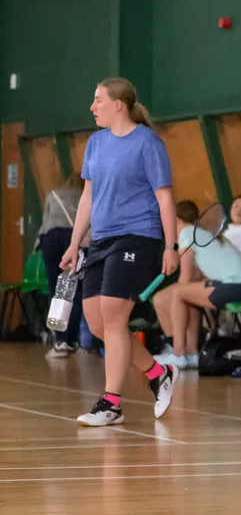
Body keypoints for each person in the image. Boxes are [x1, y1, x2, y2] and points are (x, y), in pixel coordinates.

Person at [61, 77, 179, 426]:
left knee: (114, 315)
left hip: (137, 237)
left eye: (98, 100)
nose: (92, 106)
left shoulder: (148, 144)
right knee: (98, 324)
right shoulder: (95, 144)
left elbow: (165, 198)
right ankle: (158, 372)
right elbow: (87, 198)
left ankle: (111, 403)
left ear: (118, 104)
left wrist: (170, 246)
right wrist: (74, 242)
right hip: (100, 241)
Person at [157, 200, 241, 369]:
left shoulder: (187, 233)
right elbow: (198, 277)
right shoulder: (205, 233)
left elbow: (185, 279)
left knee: (179, 293)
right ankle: (192, 354)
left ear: (176, 220)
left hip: (238, 286)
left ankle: (178, 354)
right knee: (188, 295)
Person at [40, 174, 86, 358]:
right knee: (77, 291)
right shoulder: (86, 195)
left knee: (57, 291)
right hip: (76, 240)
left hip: (51, 240)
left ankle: (60, 341)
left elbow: (45, 223)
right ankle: (73, 340)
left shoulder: (53, 194)